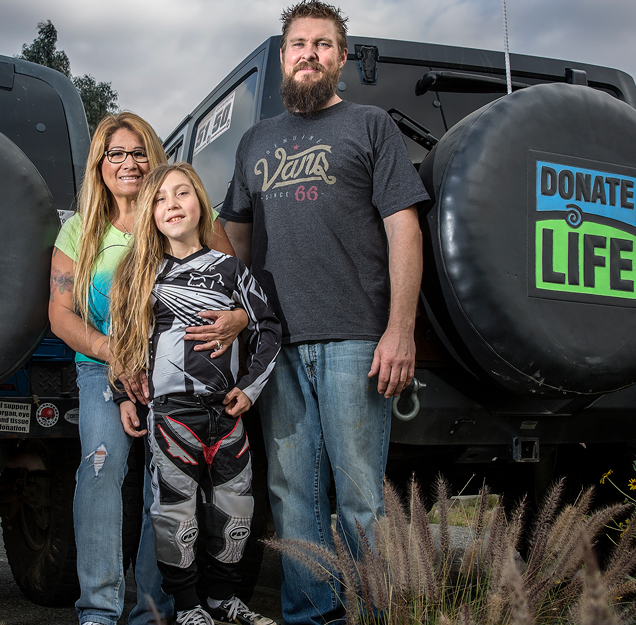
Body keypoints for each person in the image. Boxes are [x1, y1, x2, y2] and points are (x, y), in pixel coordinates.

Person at [220, 2, 431, 623]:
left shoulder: (370, 127)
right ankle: (311, 615)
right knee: (292, 498)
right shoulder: (255, 142)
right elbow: (233, 238)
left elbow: (404, 229)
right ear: (282, 58)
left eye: (323, 44)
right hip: (276, 346)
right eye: (297, 44)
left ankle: (370, 615)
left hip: (357, 343)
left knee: (361, 496)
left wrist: (399, 330)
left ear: (341, 58)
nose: (308, 53)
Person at [49, 113, 249, 625]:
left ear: (154, 158)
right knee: (101, 469)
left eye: (138, 152)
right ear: (100, 164)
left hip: (176, 372)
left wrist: (238, 319)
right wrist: (115, 356)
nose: (129, 163)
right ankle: (98, 608)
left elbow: (237, 286)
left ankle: (155, 610)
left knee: (166, 483)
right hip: (103, 367)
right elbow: (59, 314)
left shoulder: (179, 216)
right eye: (116, 153)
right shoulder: (79, 230)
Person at [109, 163, 281, 625]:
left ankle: (225, 599)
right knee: (174, 516)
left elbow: (269, 327)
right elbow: (122, 343)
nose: (172, 205)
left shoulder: (230, 269)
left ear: (201, 203)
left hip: (226, 413)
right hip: (170, 415)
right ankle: (187, 607)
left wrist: (249, 389)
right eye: (161, 198)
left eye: (182, 193)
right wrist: (121, 394)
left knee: (236, 510)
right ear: (151, 213)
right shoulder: (140, 273)